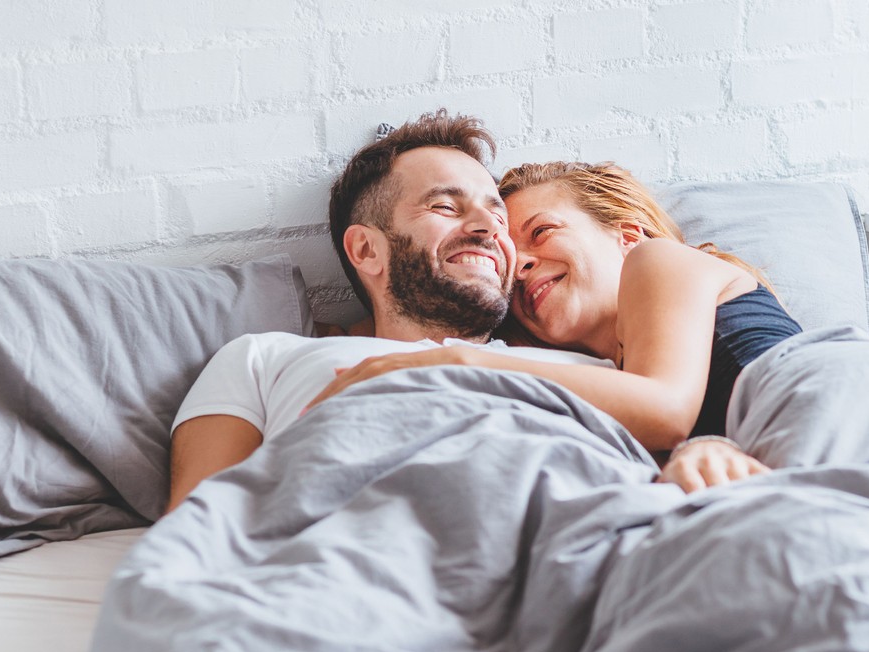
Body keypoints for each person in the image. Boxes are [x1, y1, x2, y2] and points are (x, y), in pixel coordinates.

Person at [164, 110, 610, 513]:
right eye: (445, 206)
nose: (487, 229)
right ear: (366, 249)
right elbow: (196, 531)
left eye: (497, 217)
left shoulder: (593, 370)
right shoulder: (263, 360)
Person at [306, 161, 802, 494]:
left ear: (626, 235)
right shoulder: (601, 378)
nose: (520, 266)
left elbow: (666, 409)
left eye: (541, 232)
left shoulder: (658, 262)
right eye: (511, 260)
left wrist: (454, 360)